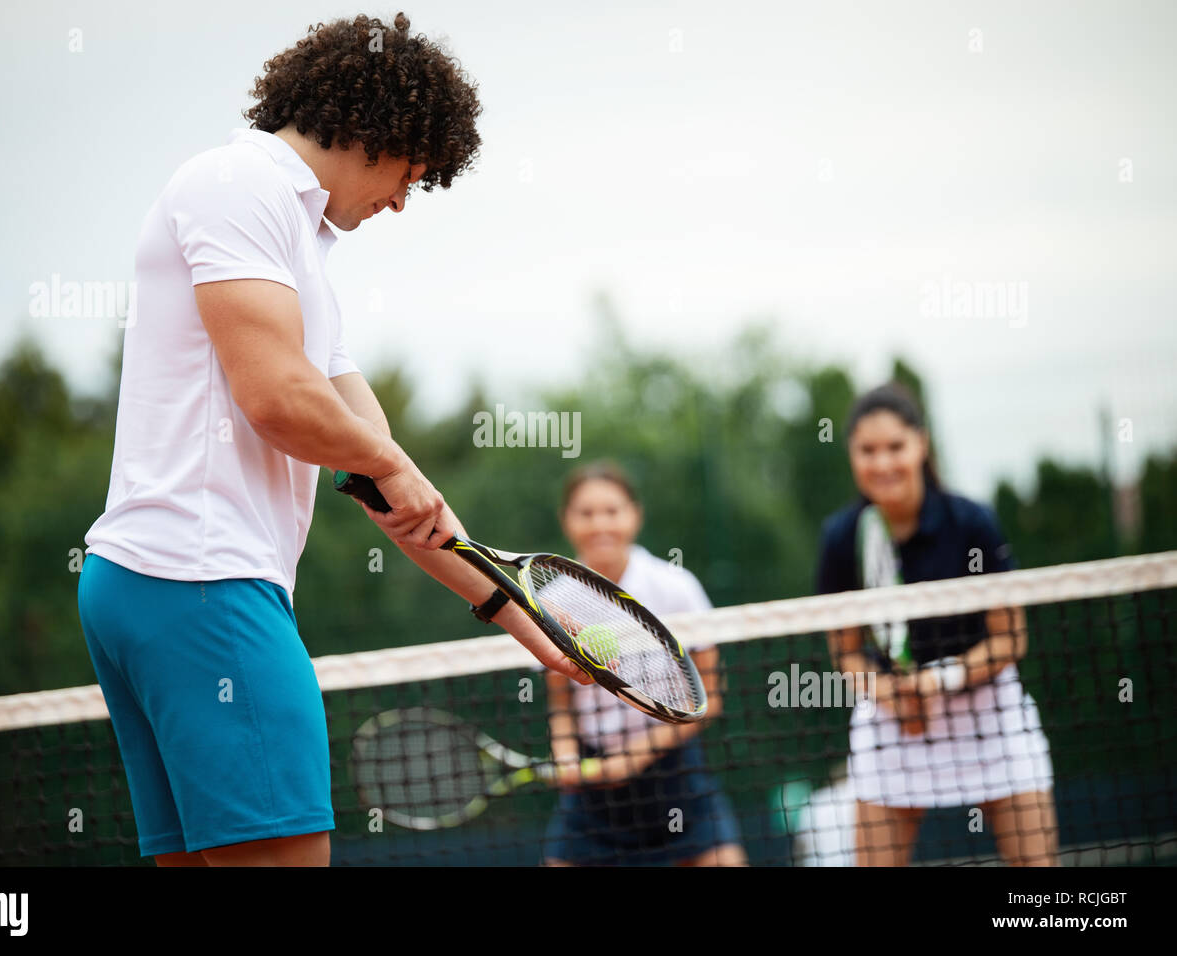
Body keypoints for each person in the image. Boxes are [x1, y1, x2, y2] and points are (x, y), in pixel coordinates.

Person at [76, 14, 589, 868]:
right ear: (374, 129)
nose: (398, 201)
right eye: (408, 176)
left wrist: (523, 620)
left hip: (153, 588)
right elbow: (277, 400)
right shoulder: (238, 185)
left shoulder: (302, 257)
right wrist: (386, 462)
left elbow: (383, 473)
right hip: (203, 585)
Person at [816, 383, 1059, 866]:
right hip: (895, 727)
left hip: (990, 715)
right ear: (851, 455)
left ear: (921, 445)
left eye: (895, 447)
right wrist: (889, 692)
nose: (882, 464)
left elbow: (1011, 637)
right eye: (867, 451)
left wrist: (939, 680)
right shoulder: (841, 538)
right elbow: (845, 652)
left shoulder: (973, 523)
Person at [542, 462, 746, 866]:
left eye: (612, 511)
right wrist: (565, 755)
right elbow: (560, 703)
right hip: (594, 786)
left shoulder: (676, 587)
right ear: (566, 520)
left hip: (675, 774)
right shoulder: (551, 602)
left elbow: (711, 698)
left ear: (635, 515)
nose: (600, 523)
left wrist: (637, 755)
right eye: (586, 513)